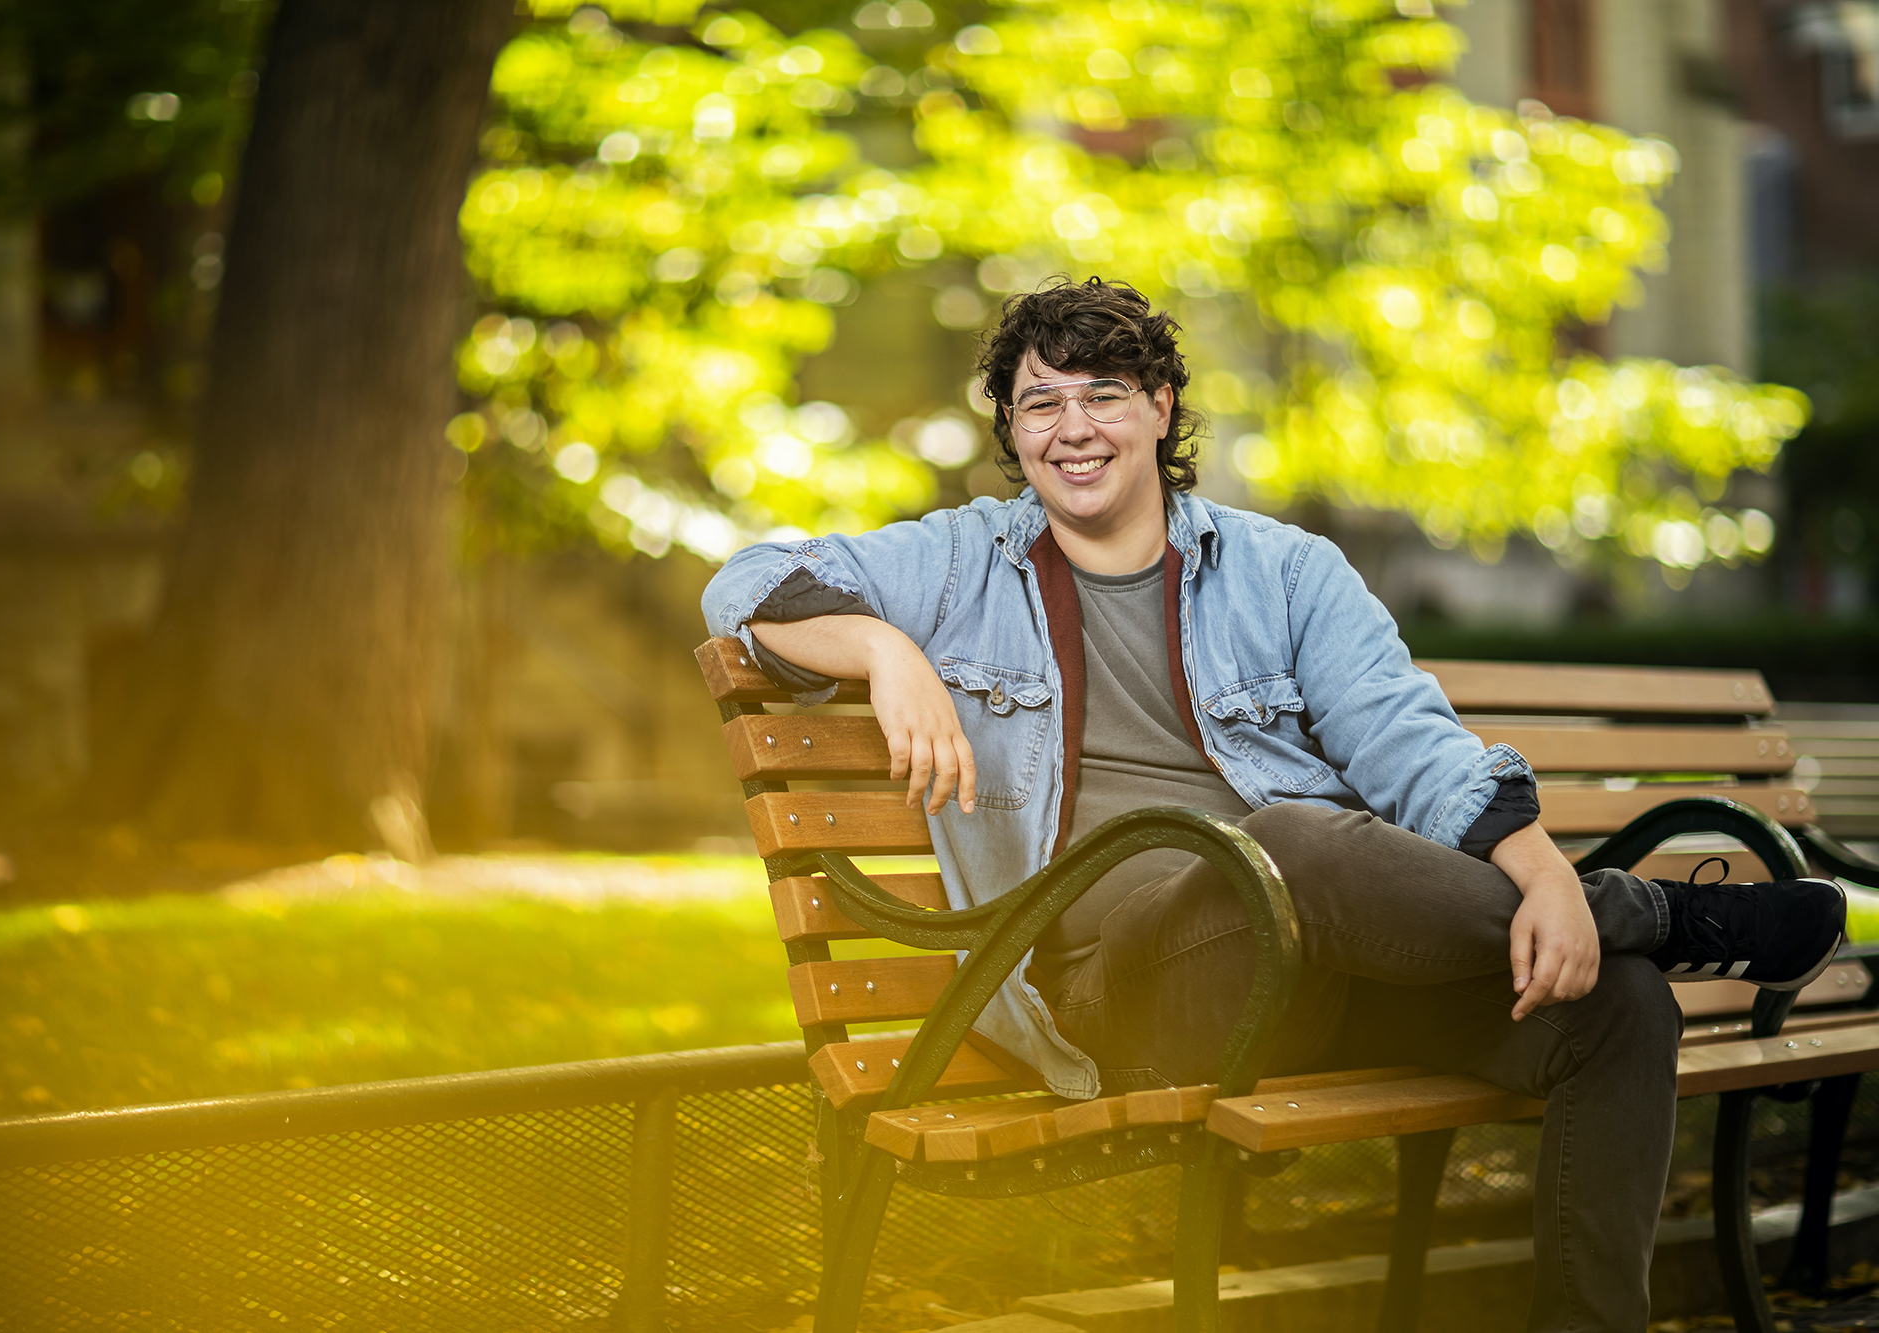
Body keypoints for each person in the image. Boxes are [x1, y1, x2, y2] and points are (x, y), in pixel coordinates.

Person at [699, 276, 1845, 1333]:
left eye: (1101, 394)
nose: (1070, 428)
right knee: (1282, 844)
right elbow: (742, 584)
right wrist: (885, 649)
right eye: (1037, 404)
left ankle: (1626, 963)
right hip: (1136, 997)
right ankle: (1662, 909)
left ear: (1157, 407)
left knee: (1615, 1007)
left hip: (1318, 976)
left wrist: (1545, 878)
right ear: (1010, 429)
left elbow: (1404, 739)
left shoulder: (1281, 570)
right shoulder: (958, 566)